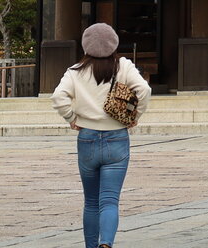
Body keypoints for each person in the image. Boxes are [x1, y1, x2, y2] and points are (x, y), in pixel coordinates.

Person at [50, 22, 152, 248]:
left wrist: (71, 118)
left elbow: (58, 97)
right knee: (109, 200)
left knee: (91, 202)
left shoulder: (75, 71)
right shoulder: (123, 66)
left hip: (87, 137)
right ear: (114, 44)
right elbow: (144, 90)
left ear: (85, 46)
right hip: (116, 137)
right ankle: (106, 243)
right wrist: (136, 114)